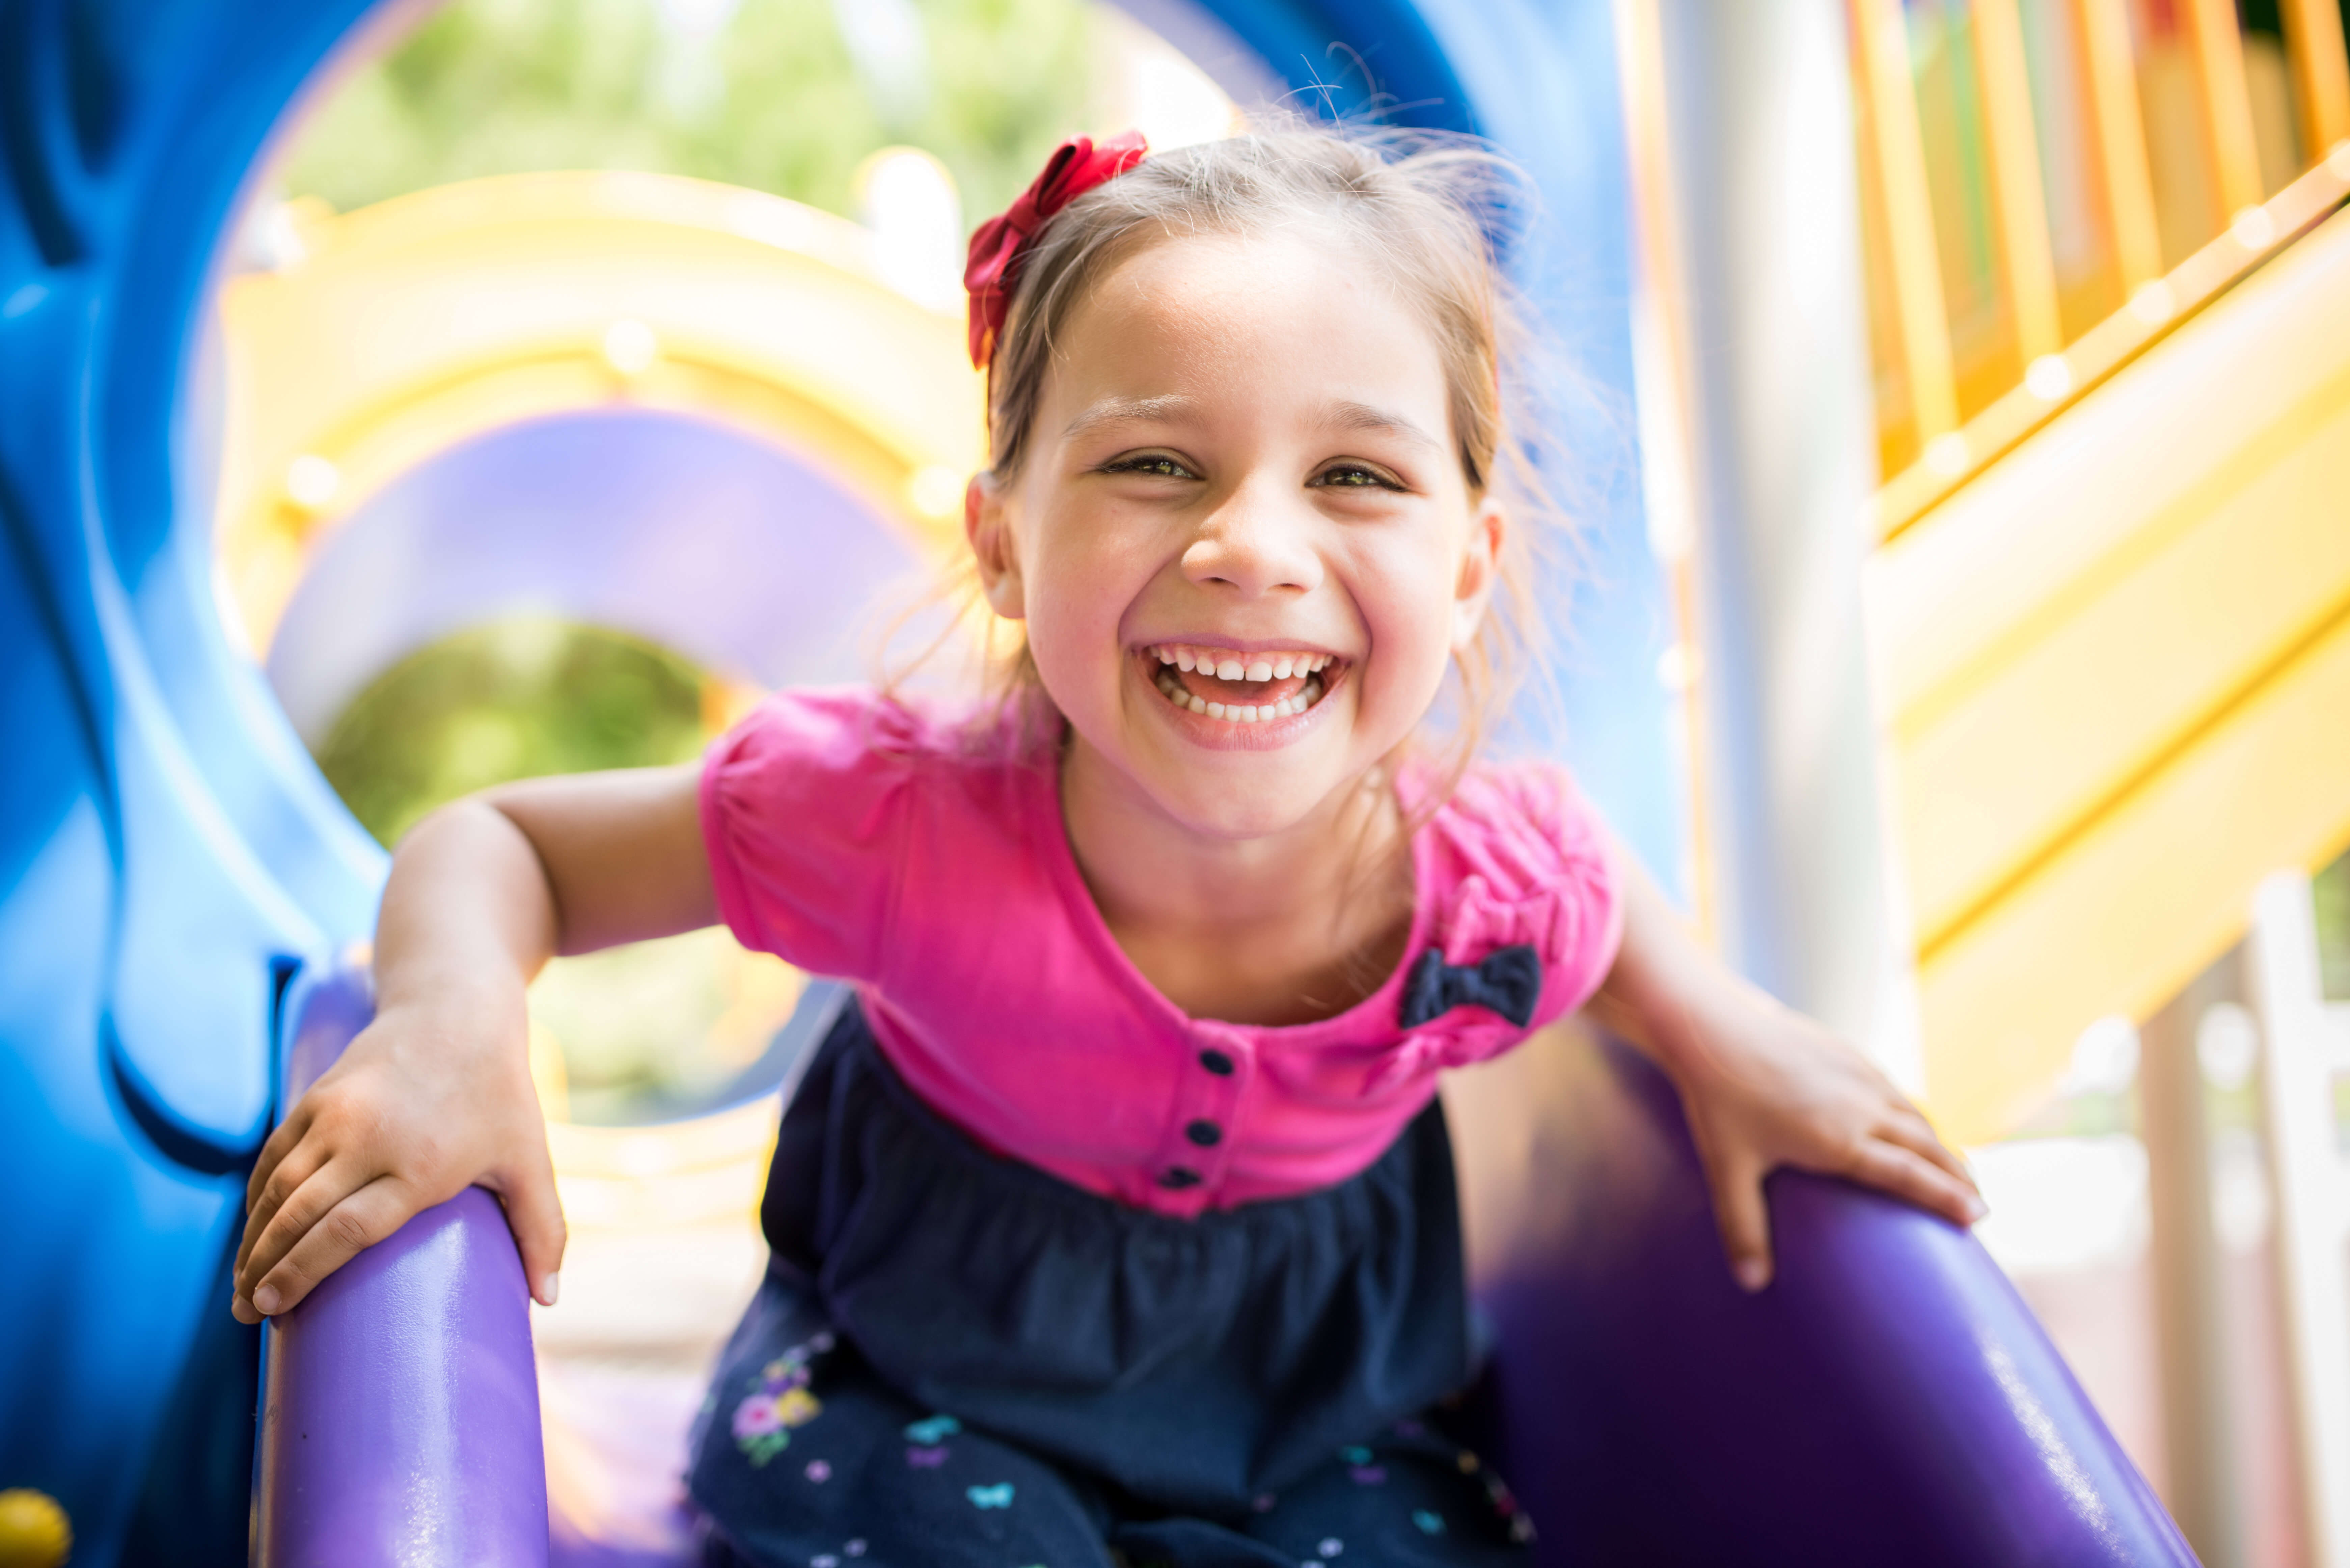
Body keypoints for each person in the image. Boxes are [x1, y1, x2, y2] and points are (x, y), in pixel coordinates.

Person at [231, 120, 1984, 1567]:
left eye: (1357, 479)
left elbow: (1600, 914)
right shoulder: (897, 819)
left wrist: (1723, 1031)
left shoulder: (1486, 882)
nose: (1250, 545)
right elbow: (502, 843)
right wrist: (455, 1023)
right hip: (916, 1381)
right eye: (1154, 463)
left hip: (1323, 1417)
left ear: (1466, 564)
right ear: (1002, 545)